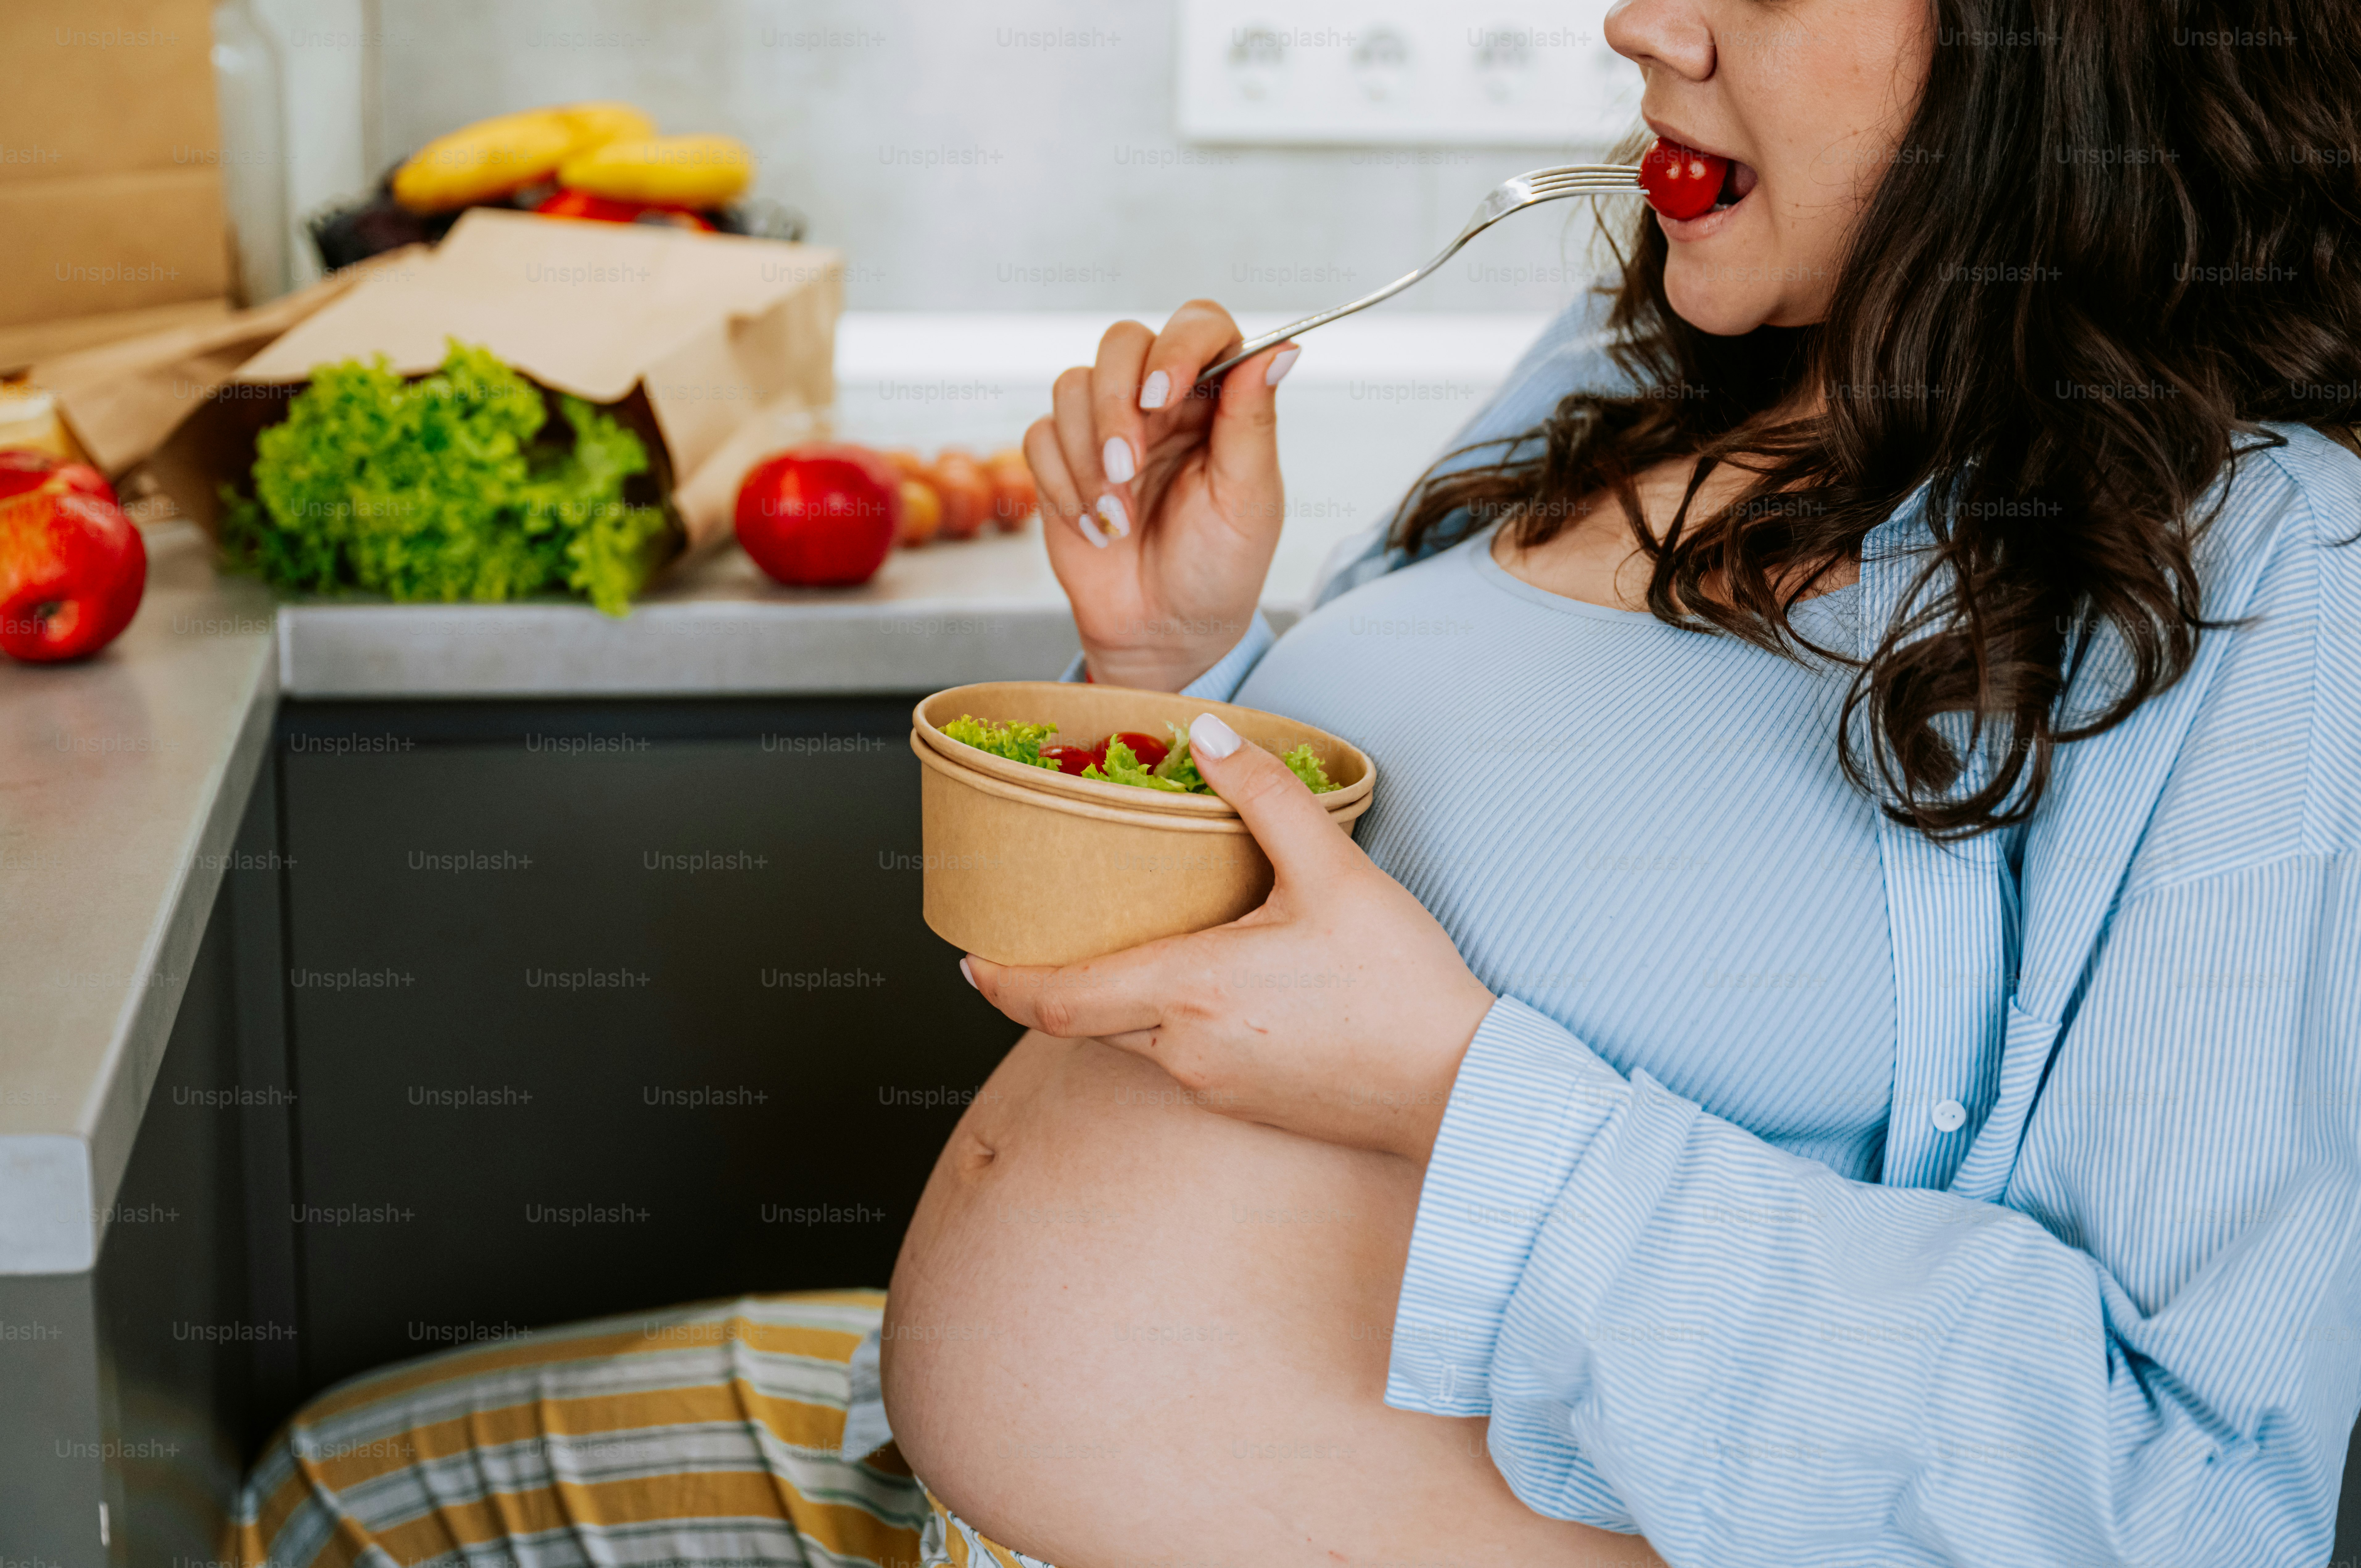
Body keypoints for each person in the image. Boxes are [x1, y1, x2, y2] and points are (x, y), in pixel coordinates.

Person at [235, 0, 2361, 1564]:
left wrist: (1459, 1096)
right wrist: (1181, 666)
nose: (1639, 25)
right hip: (972, 1497)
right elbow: (1353, 891)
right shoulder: (1638, 362)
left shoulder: (2275, 579)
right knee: (331, 1495)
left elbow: (2185, 1508)